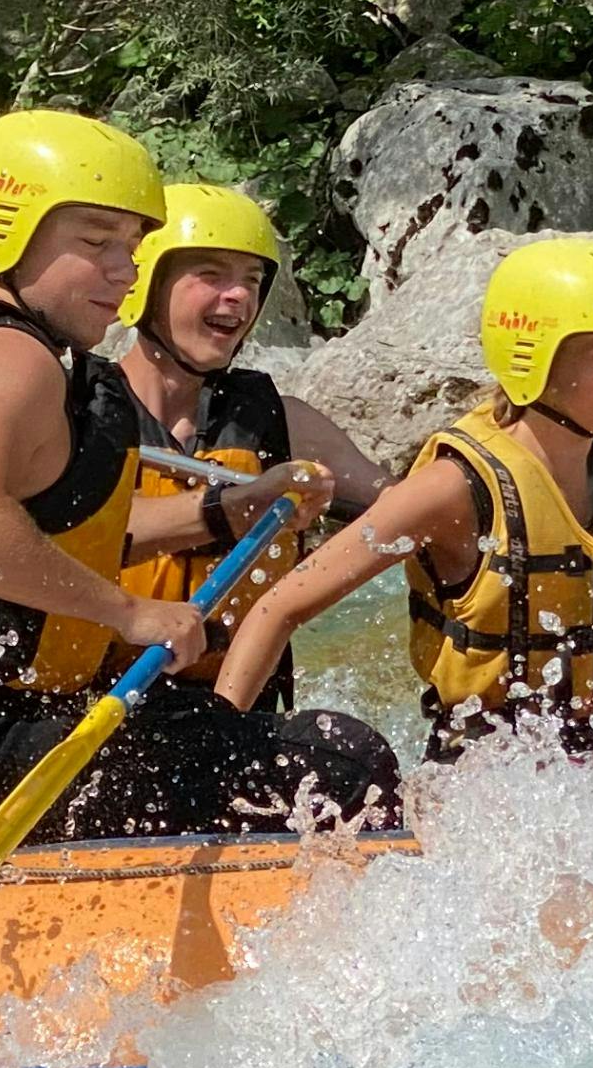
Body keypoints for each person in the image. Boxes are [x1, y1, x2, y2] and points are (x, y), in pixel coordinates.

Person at [0, 112, 400, 852]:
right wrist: (130, 612)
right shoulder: (9, 355)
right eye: (95, 243)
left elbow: (46, 535)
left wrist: (229, 509)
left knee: (215, 730)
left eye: (131, 249)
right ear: (7, 232)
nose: (122, 271)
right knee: (341, 759)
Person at [213, 236, 593, 754]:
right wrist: (221, 750)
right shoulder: (453, 489)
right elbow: (279, 608)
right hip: (486, 764)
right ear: (535, 357)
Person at [108, 181, 386, 705]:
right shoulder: (82, 412)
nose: (237, 295)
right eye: (210, 275)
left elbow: (399, 506)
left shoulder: (280, 420)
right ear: (144, 286)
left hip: (234, 706)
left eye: (251, 280)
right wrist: (233, 506)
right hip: (107, 703)